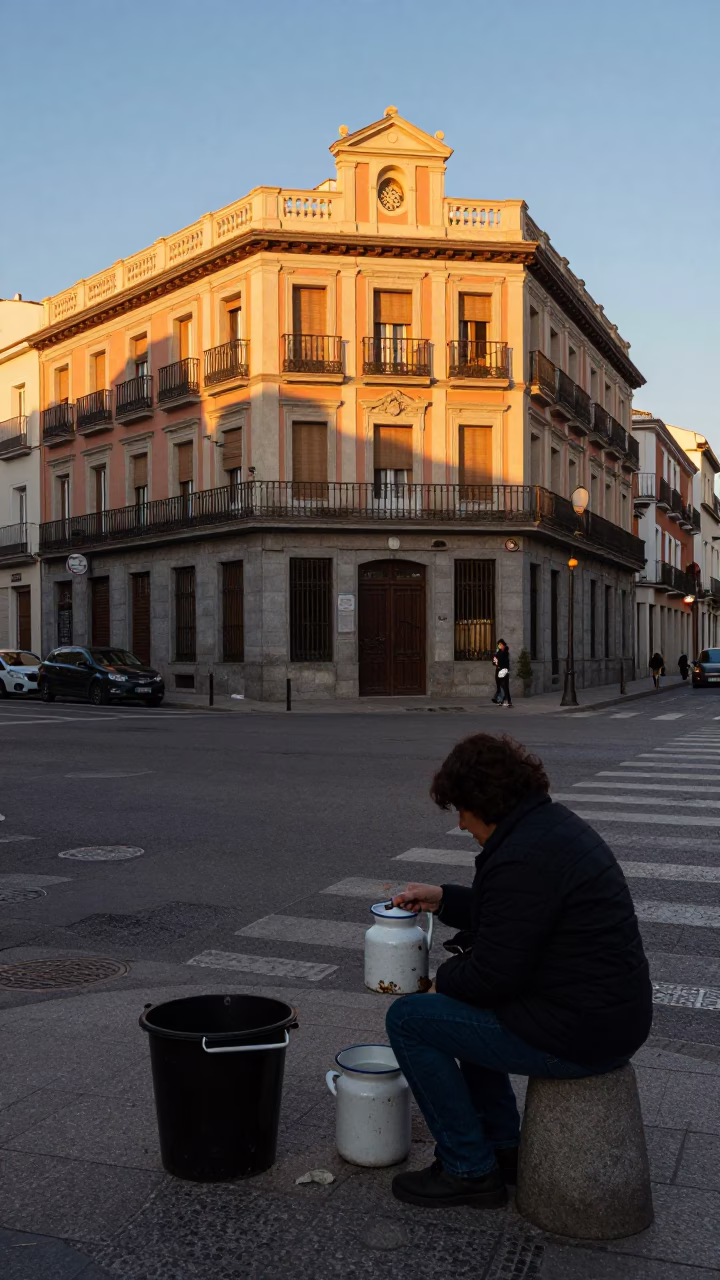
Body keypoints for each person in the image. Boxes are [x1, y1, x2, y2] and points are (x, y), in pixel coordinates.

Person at [385, 732, 652, 1210]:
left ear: (482, 802)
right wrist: (444, 898)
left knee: (410, 1020)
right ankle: (503, 1145)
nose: (462, 823)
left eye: (462, 810)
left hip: (581, 1035)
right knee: (459, 1006)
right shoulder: (545, 828)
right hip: (602, 1015)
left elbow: (493, 976)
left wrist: (434, 981)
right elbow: (516, 917)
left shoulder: (522, 855)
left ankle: (468, 1168)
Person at [491, 639, 512, 708]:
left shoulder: (506, 653)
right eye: (498, 645)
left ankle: (508, 701)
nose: (499, 646)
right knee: (499, 685)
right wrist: (495, 661)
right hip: (498, 670)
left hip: (504, 670)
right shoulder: (497, 653)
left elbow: (505, 662)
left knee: (505, 686)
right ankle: (500, 700)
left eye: (501, 644)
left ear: (504, 645)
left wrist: (498, 662)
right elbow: (494, 662)